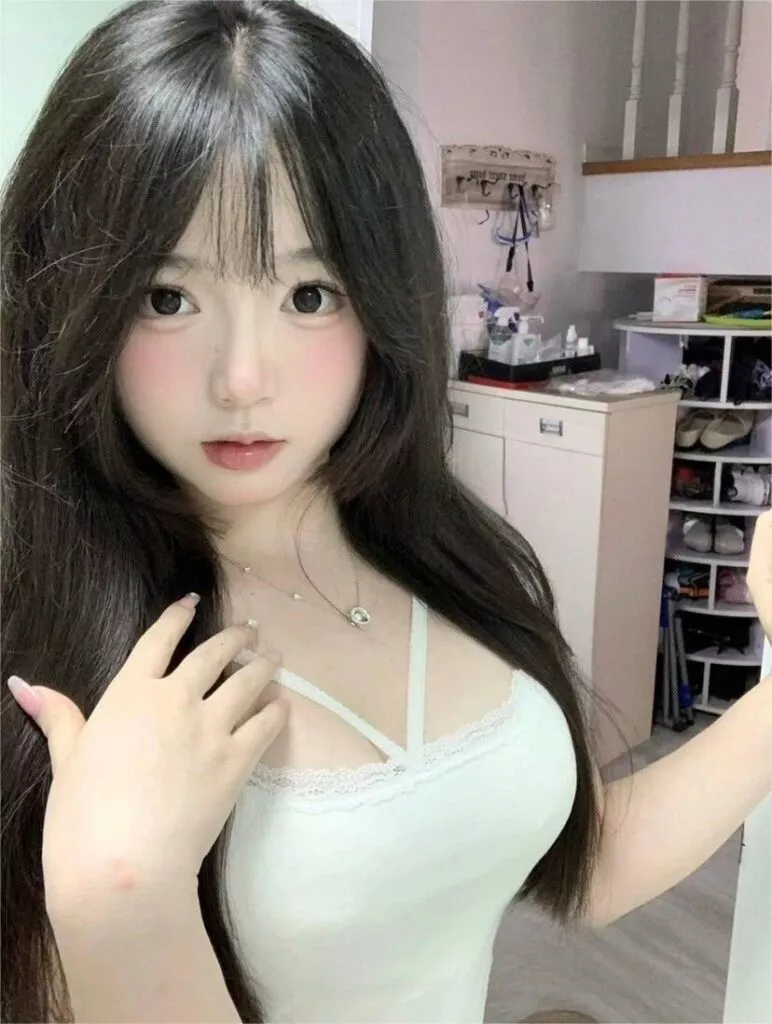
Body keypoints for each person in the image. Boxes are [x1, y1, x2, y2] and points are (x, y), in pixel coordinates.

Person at [3, 3, 766, 1023]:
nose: (243, 379)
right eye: (166, 298)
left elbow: (581, 870)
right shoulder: (56, 646)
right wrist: (119, 905)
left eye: (309, 295)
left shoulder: (441, 549)